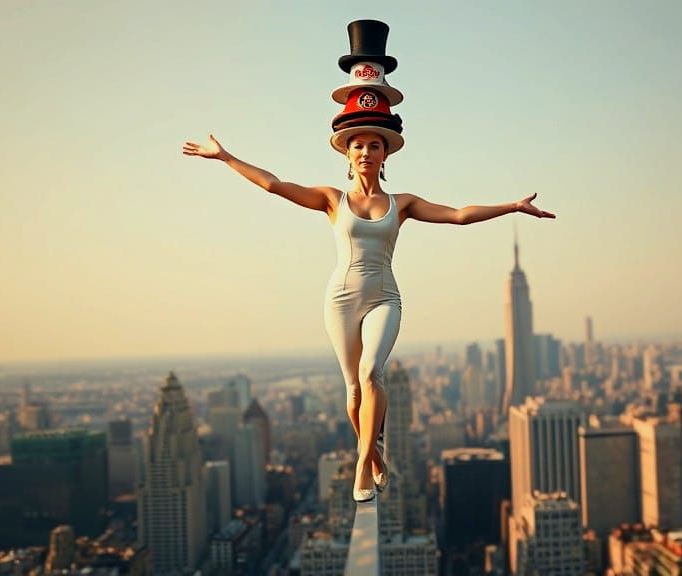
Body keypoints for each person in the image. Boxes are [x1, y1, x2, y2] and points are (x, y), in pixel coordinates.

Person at [183, 132, 555, 502]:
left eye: (374, 146)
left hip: (385, 298)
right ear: (347, 155)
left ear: (385, 155)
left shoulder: (401, 203)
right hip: (341, 301)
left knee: (371, 370)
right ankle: (375, 455)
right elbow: (273, 185)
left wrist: (512, 206)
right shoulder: (332, 199)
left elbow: (458, 215)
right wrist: (225, 156)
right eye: (358, 146)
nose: (365, 152)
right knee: (353, 390)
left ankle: (362, 464)